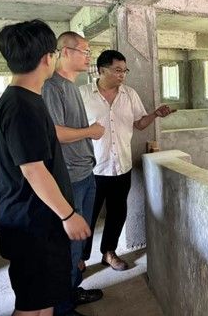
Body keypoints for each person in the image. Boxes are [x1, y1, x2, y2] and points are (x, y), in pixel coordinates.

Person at [0, 20, 91, 316]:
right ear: (48, 58)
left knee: (42, 303)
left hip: (37, 221)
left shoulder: (25, 99)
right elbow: (33, 170)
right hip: (32, 225)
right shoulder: (21, 106)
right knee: (32, 308)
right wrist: (68, 215)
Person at [80, 50, 175, 271]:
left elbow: (140, 124)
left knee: (117, 213)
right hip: (92, 168)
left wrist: (155, 114)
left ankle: (109, 253)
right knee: (87, 216)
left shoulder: (129, 94)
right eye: (117, 70)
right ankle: (80, 258)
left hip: (121, 166)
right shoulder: (82, 94)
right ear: (102, 70)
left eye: (125, 70)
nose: (122, 75)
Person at [42, 32, 105, 315]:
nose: (89, 56)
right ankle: (62, 307)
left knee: (80, 241)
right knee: (69, 245)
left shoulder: (72, 86)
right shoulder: (52, 87)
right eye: (85, 51)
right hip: (69, 176)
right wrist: (90, 131)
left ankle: (72, 290)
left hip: (85, 172)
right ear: (65, 52)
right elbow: (55, 133)